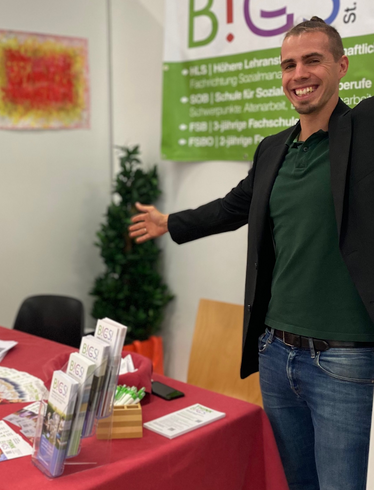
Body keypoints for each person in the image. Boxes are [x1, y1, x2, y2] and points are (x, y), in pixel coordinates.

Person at [130, 17, 374, 490]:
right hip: (275, 351)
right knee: (291, 482)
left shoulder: (363, 133)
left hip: (343, 360)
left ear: (342, 66)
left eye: (312, 60)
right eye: (288, 64)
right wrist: (170, 222)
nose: (298, 74)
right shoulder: (273, 148)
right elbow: (232, 207)